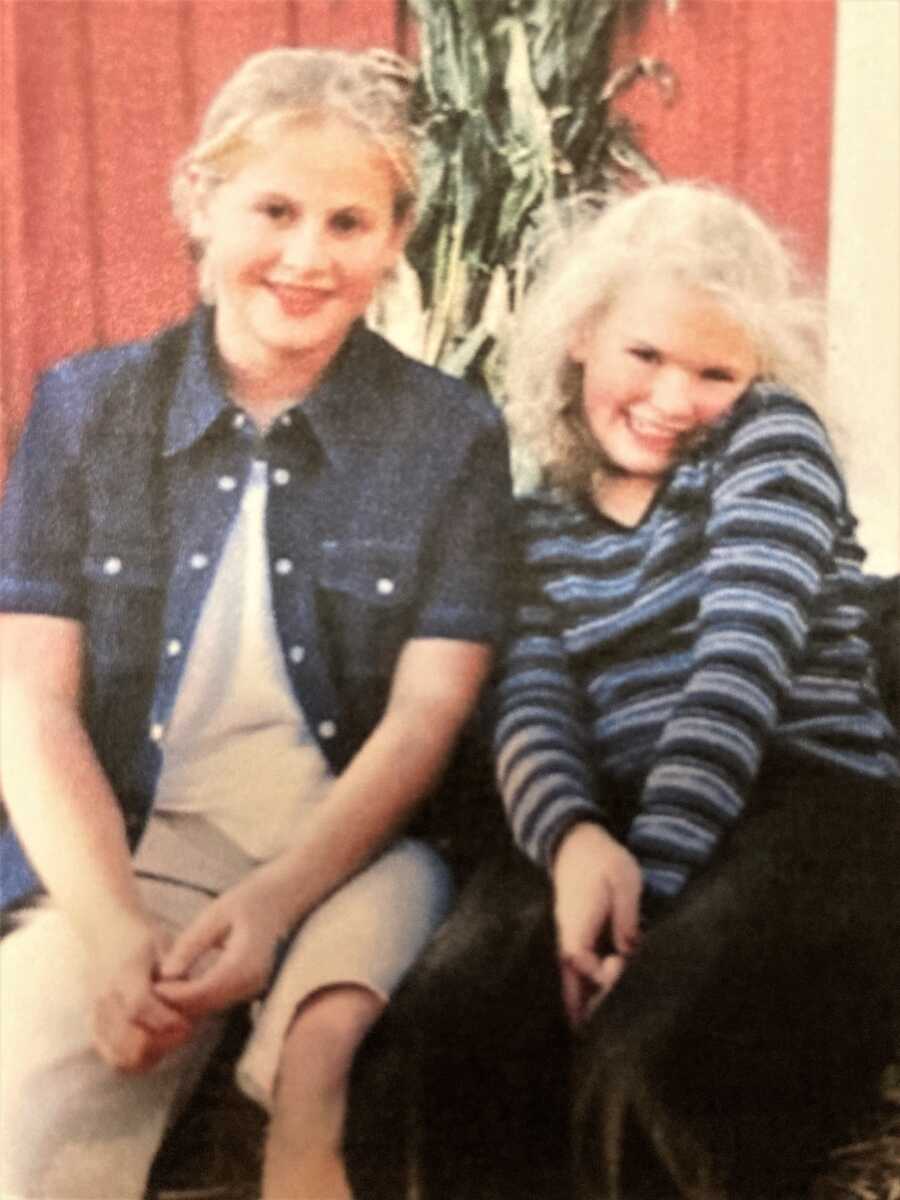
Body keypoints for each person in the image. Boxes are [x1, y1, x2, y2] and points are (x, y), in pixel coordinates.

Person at [0, 47, 511, 1200]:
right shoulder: (86, 412)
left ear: (394, 242)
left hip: (352, 857)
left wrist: (274, 905)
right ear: (201, 203)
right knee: (18, 1117)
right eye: (274, 209)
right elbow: (28, 702)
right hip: (141, 854)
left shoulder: (448, 437)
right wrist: (111, 932)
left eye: (349, 222)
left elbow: (432, 714)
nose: (305, 256)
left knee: (316, 1121)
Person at [344, 182, 900, 1199]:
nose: (674, 396)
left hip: (802, 797)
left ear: (762, 374)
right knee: (444, 1044)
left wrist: (649, 898)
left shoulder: (771, 441)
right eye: (646, 355)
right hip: (608, 810)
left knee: (652, 1061)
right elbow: (532, 705)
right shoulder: (535, 521)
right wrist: (571, 845)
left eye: (716, 370)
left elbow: (741, 667)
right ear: (583, 336)